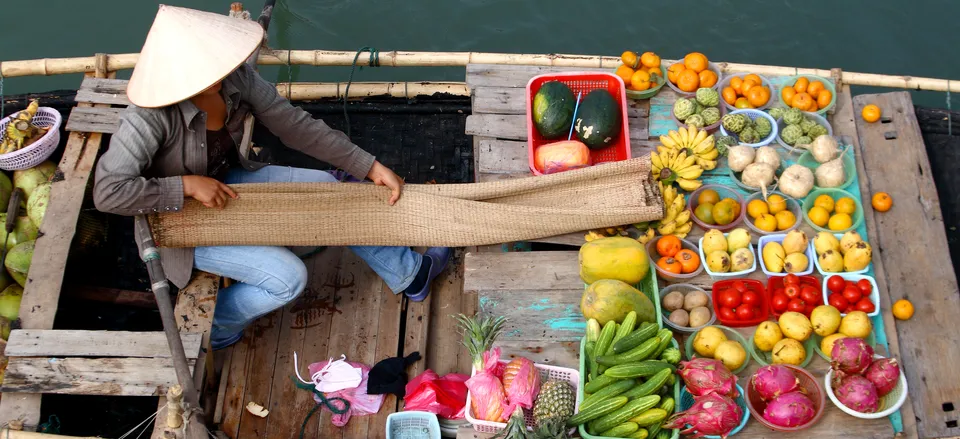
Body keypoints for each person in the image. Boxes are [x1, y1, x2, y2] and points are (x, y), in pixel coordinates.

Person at [92, 5, 451, 350]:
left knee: (330, 190)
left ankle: (409, 275)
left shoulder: (236, 78)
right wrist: (185, 185)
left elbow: (294, 126)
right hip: (176, 223)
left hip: (228, 185)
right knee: (288, 279)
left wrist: (368, 166)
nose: (219, 74)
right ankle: (218, 329)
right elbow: (109, 193)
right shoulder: (147, 117)